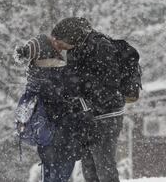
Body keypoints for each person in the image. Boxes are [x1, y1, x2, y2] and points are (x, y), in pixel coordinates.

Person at [50, 17, 124, 182]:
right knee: (90, 170)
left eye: (58, 40)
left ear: (70, 36)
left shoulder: (101, 46)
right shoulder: (75, 50)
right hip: (87, 117)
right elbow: (76, 82)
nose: (57, 46)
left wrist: (77, 81)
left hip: (106, 115)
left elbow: (110, 84)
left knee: (104, 168)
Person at [14, 34, 92, 182]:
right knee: (61, 172)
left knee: (49, 172)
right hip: (64, 132)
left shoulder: (33, 76)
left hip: (43, 134)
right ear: (46, 50)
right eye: (52, 42)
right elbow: (74, 97)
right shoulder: (59, 73)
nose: (57, 44)